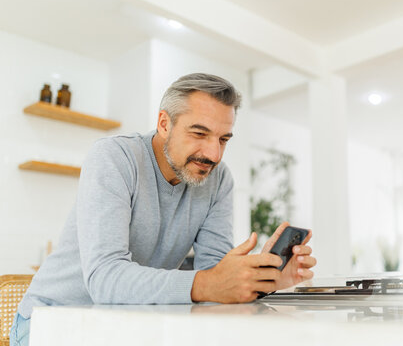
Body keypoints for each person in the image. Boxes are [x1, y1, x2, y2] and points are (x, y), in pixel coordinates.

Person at [10, 73, 316, 346]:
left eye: (223, 139)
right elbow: (104, 279)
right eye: (199, 133)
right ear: (164, 123)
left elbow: (215, 277)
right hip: (52, 322)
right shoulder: (115, 158)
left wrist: (265, 280)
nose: (213, 154)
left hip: (126, 323)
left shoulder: (218, 179)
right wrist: (208, 284)